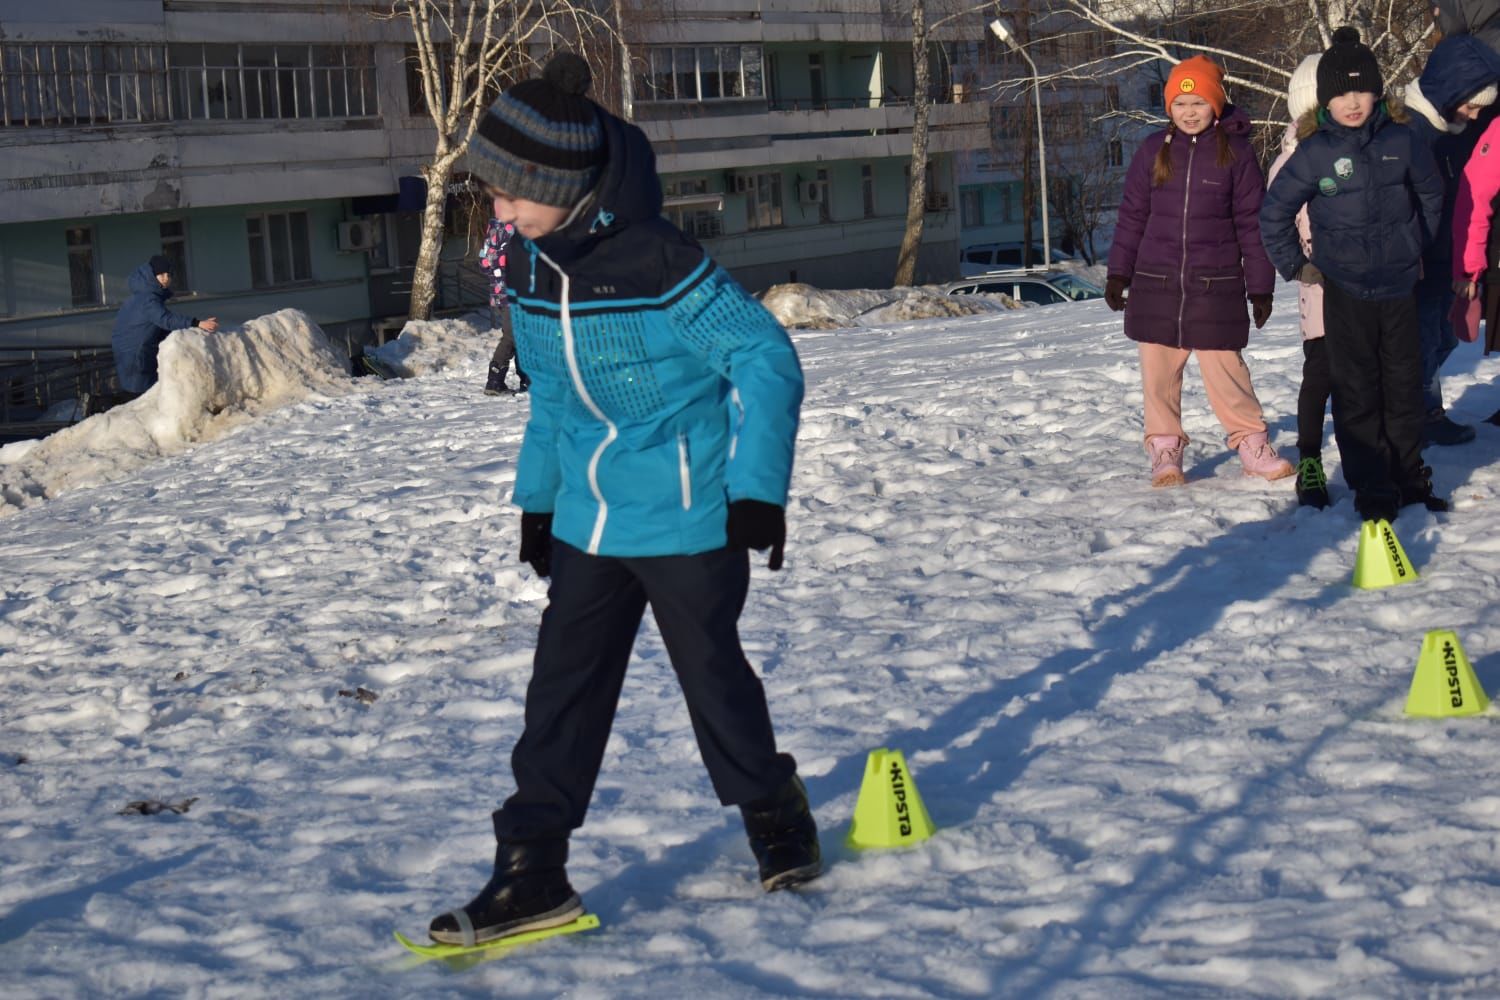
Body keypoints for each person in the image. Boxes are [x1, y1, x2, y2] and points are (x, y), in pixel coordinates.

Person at [427, 52, 818, 949]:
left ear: (562, 185)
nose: (498, 211)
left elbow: (765, 358)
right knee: (559, 692)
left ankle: (773, 809)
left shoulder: (662, 262)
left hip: (688, 512)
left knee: (713, 681)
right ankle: (532, 871)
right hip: (591, 522)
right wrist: (539, 503)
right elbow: (553, 397)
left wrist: (758, 492)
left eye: (510, 193)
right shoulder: (529, 270)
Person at [1261, 27, 1448, 523]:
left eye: (1361, 89)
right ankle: (1371, 486)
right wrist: (1297, 266)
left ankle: (1409, 478)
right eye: (1340, 92)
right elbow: (1274, 213)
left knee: (1404, 388)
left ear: (1377, 92)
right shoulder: (1315, 152)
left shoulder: (1403, 141)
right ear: (1325, 99)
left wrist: (1415, 246)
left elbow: (1431, 197)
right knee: (1357, 393)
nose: (1351, 101)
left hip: (1399, 289)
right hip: (1344, 293)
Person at [1104, 54, 1292, 488]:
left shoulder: (1237, 154)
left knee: (1226, 369)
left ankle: (1251, 442)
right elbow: (1132, 216)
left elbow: (1252, 223)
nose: (1190, 113)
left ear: (1217, 105)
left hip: (1216, 283)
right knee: (1158, 373)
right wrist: (1119, 273)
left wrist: (1260, 288)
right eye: (1181, 104)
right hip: (1157, 282)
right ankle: (1165, 448)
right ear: (1169, 107)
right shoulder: (1153, 151)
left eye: (1200, 103)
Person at [1403, 33, 1500, 445]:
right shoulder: (1414, 131)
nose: (1476, 116)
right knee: (1423, 342)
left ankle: (1425, 409)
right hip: (1420, 258)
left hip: (1448, 255)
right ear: (1450, 90)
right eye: (1471, 105)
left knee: (1443, 338)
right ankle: (1413, 416)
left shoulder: (1458, 128)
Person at [1267, 54, 1335, 508]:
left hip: (1366, 283)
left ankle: (1372, 454)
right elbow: (1275, 218)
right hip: (1321, 287)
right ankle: (1310, 457)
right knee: (1321, 375)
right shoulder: (1291, 160)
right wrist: (1299, 264)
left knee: (1366, 379)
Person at [109, 254, 217, 397]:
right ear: (152, 275)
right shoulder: (149, 298)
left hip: (134, 349)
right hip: (135, 353)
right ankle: (100, 406)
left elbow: (155, 325)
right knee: (139, 396)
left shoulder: (144, 294)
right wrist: (196, 323)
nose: (166, 278)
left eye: (169, 274)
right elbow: (165, 319)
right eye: (161, 274)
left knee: (141, 395)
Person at [479, 214, 529, 395]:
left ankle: (528, 379)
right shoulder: (520, 226)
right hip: (516, 292)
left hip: (499, 293)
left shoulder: (494, 227)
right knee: (512, 336)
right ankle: (494, 380)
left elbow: (483, 263)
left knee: (521, 335)